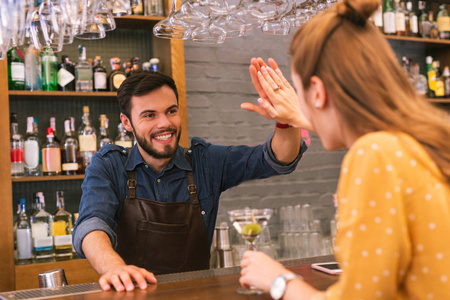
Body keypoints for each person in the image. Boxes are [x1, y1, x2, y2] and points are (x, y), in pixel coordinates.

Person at [238, 0, 450, 298]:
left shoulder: (375, 154)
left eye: (302, 94)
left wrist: (279, 281)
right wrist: (302, 117)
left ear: (319, 91)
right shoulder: (428, 140)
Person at [72, 70, 307, 292]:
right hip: (133, 294)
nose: (164, 123)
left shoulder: (205, 161)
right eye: (149, 115)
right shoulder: (110, 165)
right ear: (126, 122)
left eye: (171, 111)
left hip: (198, 294)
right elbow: (91, 224)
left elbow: (276, 158)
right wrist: (114, 268)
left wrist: (286, 121)